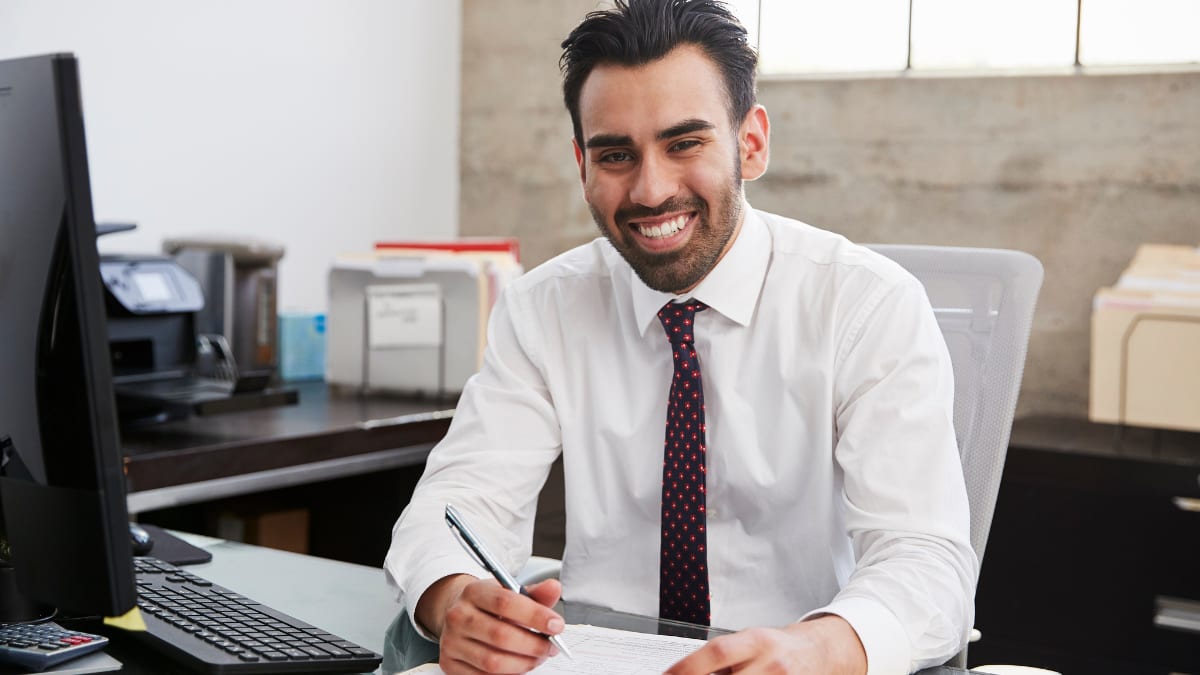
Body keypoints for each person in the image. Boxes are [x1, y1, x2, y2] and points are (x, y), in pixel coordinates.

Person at [384, 1, 976, 673]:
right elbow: (455, 506)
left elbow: (928, 561)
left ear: (750, 143)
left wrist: (822, 646)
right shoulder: (543, 307)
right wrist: (458, 598)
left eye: (684, 143)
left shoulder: (867, 304)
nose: (650, 188)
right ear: (581, 163)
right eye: (615, 154)